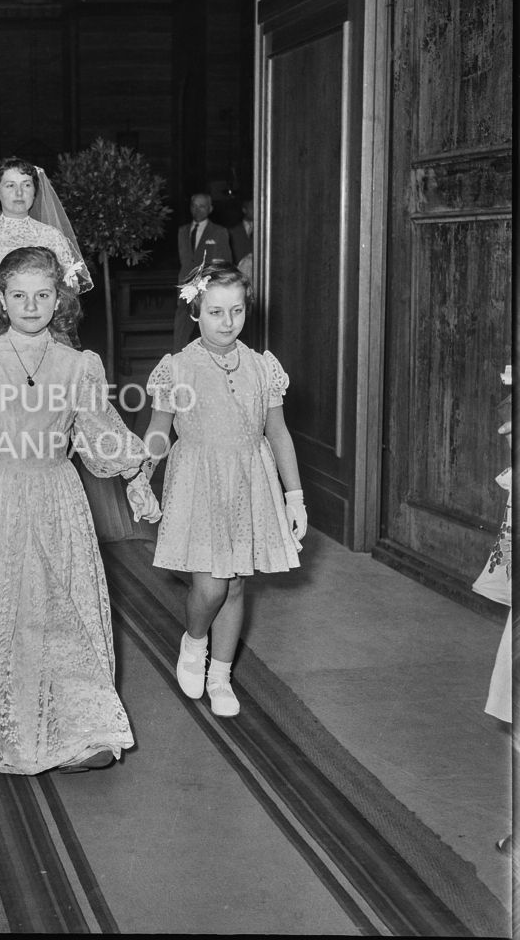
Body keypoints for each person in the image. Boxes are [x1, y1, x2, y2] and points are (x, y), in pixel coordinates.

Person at [0, 246, 161, 775]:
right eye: (19, 295)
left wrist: (136, 469)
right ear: (1, 298)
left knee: (61, 611)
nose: (32, 305)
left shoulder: (79, 364)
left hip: (57, 495)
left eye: (43, 295)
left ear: (58, 297)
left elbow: (99, 431)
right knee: (4, 608)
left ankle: (78, 729)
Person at [143, 264, 306, 718]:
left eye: (236, 310)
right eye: (216, 311)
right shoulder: (177, 368)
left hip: (249, 481)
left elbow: (279, 433)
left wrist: (294, 497)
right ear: (196, 312)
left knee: (235, 586)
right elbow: (159, 431)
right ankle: (194, 642)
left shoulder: (261, 366)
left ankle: (221, 674)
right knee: (212, 586)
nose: (228, 321)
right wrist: (141, 475)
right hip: (198, 481)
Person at [0, 156, 93, 346]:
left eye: (26, 185)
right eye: (10, 185)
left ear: (35, 192)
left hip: (43, 329)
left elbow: (69, 288)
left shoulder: (52, 236)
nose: (19, 193)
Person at [173, 192, 233, 352]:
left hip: (209, 288)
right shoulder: (182, 231)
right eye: (194, 206)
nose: (197, 210)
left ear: (210, 209)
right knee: (181, 331)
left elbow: (225, 263)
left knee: (210, 331)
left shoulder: (219, 232)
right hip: (185, 288)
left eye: (202, 206)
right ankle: (177, 363)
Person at [229, 198, 254, 280]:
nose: (255, 210)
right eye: (252, 207)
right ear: (244, 210)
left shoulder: (264, 231)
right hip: (238, 276)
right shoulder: (232, 231)